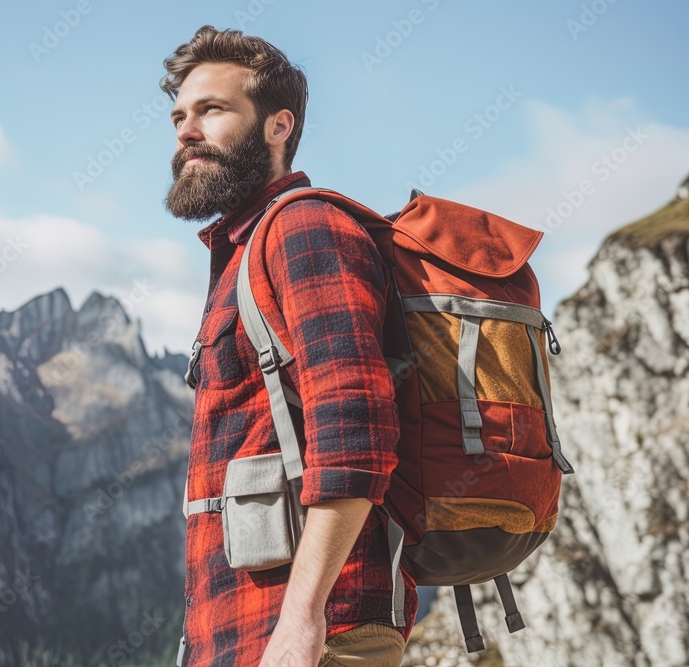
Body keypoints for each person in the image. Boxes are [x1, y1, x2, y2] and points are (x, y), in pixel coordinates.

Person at [161, 26, 418, 666]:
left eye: (212, 110)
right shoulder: (242, 252)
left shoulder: (305, 228)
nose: (187, 131)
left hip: (318, 640)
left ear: (279, 127)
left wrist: (301, 622)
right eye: (178, 117)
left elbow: (356, 430)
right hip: (244, 640)